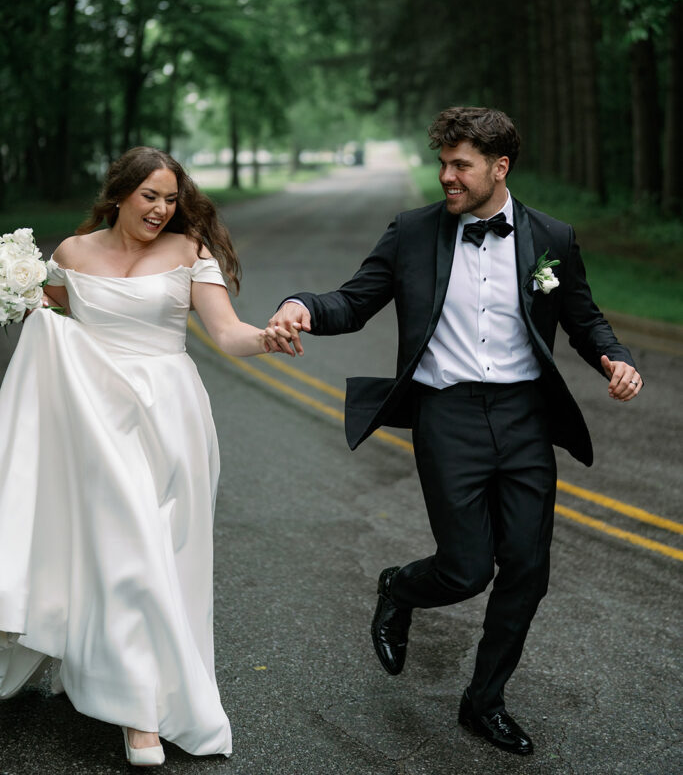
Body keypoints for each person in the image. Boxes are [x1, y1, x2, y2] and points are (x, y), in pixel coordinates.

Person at [266, 106, 642, 757]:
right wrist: (302, 305)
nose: (446, 175)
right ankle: (398, 588)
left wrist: (614, 358)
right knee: (467, 569)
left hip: (525, 417)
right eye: (442, 162)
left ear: (499, 168)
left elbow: (581, 317)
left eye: (459, 164)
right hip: (446, 415)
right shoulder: (414, 233)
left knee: (526, 568)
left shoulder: (548, 238)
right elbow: (354, 301)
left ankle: (482, 703)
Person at [0, 146, 292, 767]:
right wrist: (16, 294)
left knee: (166, 556)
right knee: (123, 546)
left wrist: (266, 338)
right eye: (149, 197)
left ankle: (153, 687)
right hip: (93, 417)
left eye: (170, 198)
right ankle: (139, 716)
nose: (162, 209)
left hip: (171, 416)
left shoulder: (191, 253)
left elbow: (228, 335)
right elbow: (46, 324)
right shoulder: (73, 256)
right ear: (119, 194)